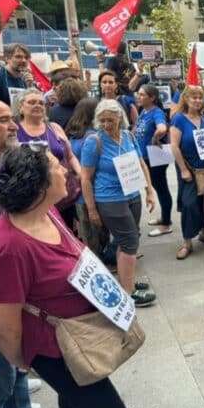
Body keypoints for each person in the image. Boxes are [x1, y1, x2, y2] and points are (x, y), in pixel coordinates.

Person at [0, 145, 131, 408]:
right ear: (38, 185)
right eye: (56, 166)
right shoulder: (7, 247)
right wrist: (21, 359)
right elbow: (5, 323)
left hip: (78, 336)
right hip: (53, 349)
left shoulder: (47, 211)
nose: (66, 169)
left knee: (72, 406)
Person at [0, 96, 52, 408]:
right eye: (1, 121)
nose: (12, 126)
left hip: (10, 290)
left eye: (11, 118)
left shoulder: (0, 164)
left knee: (11, 369)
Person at [80, 99, 157, 306]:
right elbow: (85, 177)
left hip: (132, 195)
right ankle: (128, 292)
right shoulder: (94, 142)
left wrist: (149, 190)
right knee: (129, 241)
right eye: (102, 120)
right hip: (110, 199)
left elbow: (141, 163)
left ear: (119, 119)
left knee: (129, 239)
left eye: (110, 120)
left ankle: (126, 279)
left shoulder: (128, 136)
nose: (106, 124)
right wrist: (92, 208)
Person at [15, 89, 82, 229]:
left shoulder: (54, 128)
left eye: (41, 102)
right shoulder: (14, 132)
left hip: (62, 194)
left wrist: (81, 173)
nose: (37, 105)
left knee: (67, 229)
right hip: (34, 199)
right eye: (32, 102)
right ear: (21, 107)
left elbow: (70, 156)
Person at [170, 86, 204, 260]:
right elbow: (174, 146)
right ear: (186, 99)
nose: (197, 100)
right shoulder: (178, 119)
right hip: (190, 169)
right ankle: (187, 242)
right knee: (189, 204)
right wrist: (183, 169)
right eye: (194, 97)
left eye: (200, 97)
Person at [66, 97, 109, 258]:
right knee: (98, 231)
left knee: (87, 233)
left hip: (78, 193)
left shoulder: (73, 135)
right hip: (95, 191)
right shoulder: (94, 137)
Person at [136, 84, 173, 238]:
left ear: (152, 98)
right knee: (158, 188)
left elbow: (162, 128)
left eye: (142, 95)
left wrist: (155, 137)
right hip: (147, 156)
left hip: (155, 155)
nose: (139, 97)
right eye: (138, 94)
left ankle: (166, 224)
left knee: (161, 188)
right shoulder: (143, 111)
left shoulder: (157, 112)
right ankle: (164, 218)